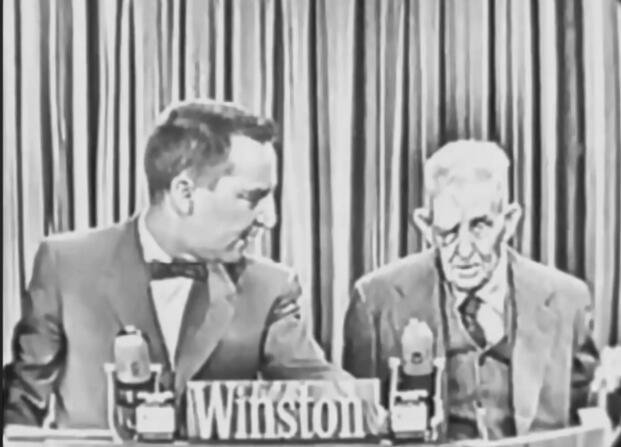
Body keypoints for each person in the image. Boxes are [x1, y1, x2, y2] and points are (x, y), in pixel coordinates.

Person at [3, 99, 350, 430]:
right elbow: (21, 412)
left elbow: (324, 389)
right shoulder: (66, 265)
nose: (269, 219)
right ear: (184, 194)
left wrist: (368, 407)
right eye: (251, 197)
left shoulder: (269, 288)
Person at [343, 140, 599, 440]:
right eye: (448, 231)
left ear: (509, 222)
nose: (464, 251)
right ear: (426, 226)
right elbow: (359, 432)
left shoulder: (568, 302)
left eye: (479, 227)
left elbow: (589, 423)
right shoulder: (376, 302)